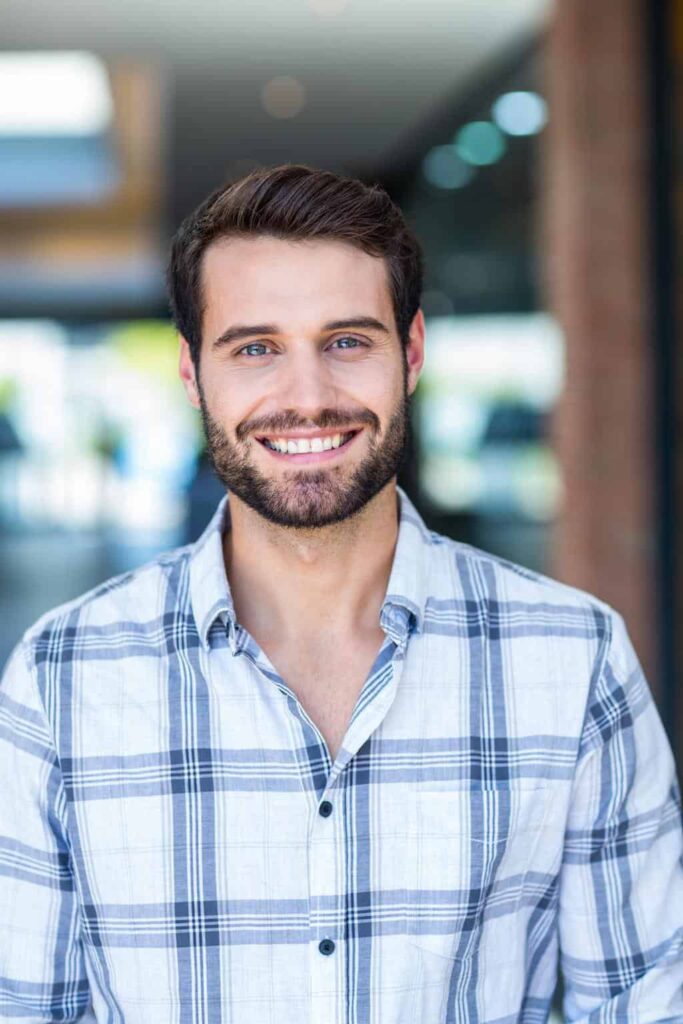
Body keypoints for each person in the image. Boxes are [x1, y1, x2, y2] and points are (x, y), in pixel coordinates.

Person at [0, 164, 681, 1023]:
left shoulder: (574, 659)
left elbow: (642, 1004)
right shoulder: (62, 678)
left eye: (347, 341)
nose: (308, 398)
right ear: (190, 372)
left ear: (413, 352)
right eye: (255, 348)